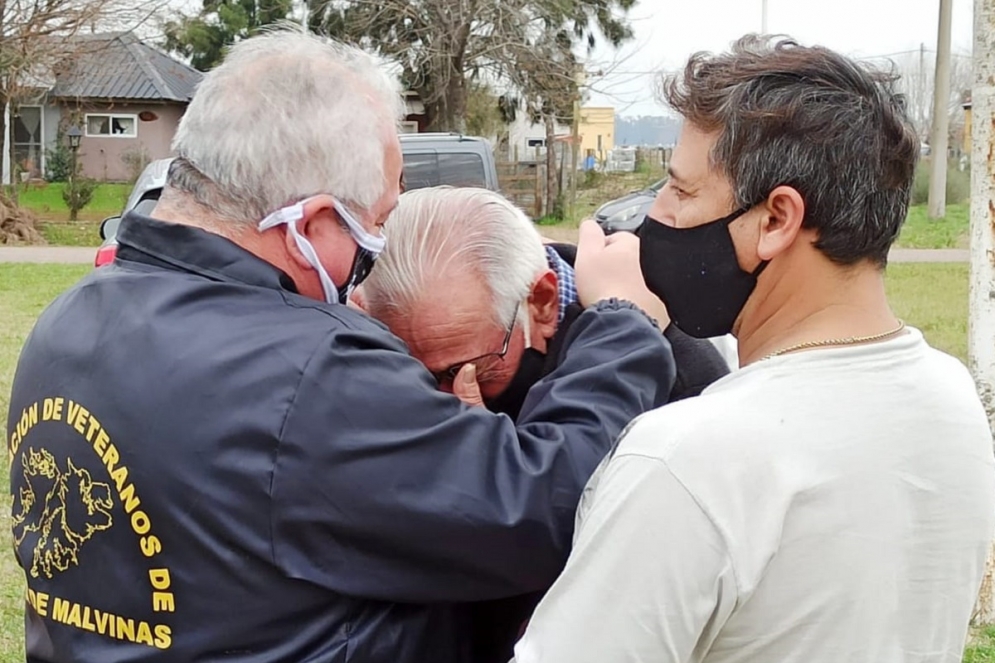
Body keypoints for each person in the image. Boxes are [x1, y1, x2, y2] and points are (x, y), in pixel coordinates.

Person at [6, 29, 676, 663]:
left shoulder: (69, 321)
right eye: (379, 220)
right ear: (316, 223)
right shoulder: (305, 371)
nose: (377, 247)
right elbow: (541, 506)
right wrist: (621, 319)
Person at [513, 35, 995, 663]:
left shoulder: (686, 460)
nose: (652, 216)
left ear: (775, 220)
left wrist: (616, 318)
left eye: (681, 193)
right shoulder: (953, 397)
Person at [357, 185, 730, 662]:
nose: (440, 399)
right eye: (413, 374)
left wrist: (480, 470)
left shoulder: (677, 382)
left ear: (543, 302)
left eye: (464, 369)